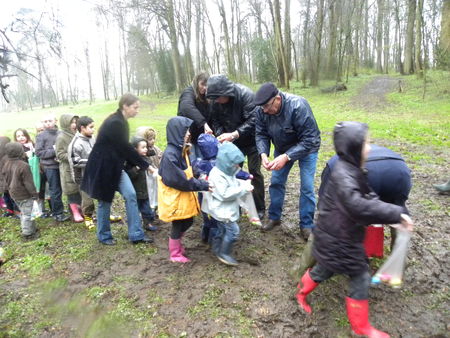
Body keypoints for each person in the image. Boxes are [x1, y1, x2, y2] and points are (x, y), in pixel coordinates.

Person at [295, 121, 413, 338]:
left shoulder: (350, 168)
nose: (369, 147)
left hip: (336, 236)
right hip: (340, 240)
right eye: (366, 143)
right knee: (360, 277)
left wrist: (388, 214)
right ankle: (360, 327)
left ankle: (301, 292)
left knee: (324, 270)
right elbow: (358, 205)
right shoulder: (344, 175)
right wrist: (396, 213)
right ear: (354, 147)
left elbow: (368, 196)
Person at [291, 144, 412, 282]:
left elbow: (326, 210)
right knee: (398, 216)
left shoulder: (332, 169)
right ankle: (398, 266)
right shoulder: (343, 159)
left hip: (373, 173)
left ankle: (299, 272)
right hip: (399, 171)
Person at [81, 93, 152, 245]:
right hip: (103, 169)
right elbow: (125, 148)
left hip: (116, 168)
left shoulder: (121, 121)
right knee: (105, 201)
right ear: (125, 106)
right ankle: (104, 236)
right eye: (135, 107)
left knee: (131, 194)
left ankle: (136, 234)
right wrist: (146, 165)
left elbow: (122, 148)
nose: (137, 110)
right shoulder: (115, 122)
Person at [254, 82, 321, 240]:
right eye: (262, 108)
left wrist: (287, 156)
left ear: (277, 99)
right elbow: (261, 134)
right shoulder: (261, 109)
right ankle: (274, 217)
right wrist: (263, 153)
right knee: (276, 182)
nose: (264, 110)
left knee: (307, 187)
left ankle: (306, 225)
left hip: (307, 148)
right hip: (282, 147)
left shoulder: (298, 106)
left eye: (267, 106)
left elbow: (310, 139)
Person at [206, 74, 265, 219]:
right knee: (231, 173)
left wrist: (235, 133)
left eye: (219, 98)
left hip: (251, 141)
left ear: (226, 92)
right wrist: (221, 135)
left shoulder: (245, 95)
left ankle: (259, 207)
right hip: (232, 144)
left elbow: (254, 119)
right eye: (215, 99)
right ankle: (235, 203)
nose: (217, 101)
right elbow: (215, 120)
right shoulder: (215, 101)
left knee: (254, 172)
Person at [157, 116, 210, 263]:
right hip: (174, 197)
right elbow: (180, 180)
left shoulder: (181, 149)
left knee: (188, 221)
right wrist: (203, 185)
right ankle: (175, 253)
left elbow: (189, 168)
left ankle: (178, 245)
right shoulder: (170, 155)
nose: (188, 133)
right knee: (178, 223)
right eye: (185, 131)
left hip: (182, 195)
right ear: (176, 132)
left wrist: (199, 174)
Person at [202, 142, 254, 266]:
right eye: (235, 163)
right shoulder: (217, 175)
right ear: (226, 162)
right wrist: (244, 189)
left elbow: (233, 182)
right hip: (223, 211)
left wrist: (242, 183)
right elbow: (224, 194)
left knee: (221, 230)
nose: (237, 166)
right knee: (233, 232)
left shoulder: (227, 171)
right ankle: (224, 253)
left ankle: (216, 248)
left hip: (224, 210)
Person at [35, 115, 69, 222]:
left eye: (50, 120)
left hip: (63, 165)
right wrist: (54, 151)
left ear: (55, 121)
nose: (48, 123)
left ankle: (64, 209)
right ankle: (57, 213)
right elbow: (39, 152)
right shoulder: (41, 136)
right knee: (55, 190)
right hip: (50, 167)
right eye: (45, 121)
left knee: (67, 188)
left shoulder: (61, 133)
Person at [1, 143, 39, 239]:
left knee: (24, 211)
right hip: (24, 194)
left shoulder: (6, 164)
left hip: (13, 193)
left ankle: (31, 228)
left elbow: (5, 180)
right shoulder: (24, 166)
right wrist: (34, 194)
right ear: (20, 152)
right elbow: (28, 183)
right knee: (27, 214)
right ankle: (28, 234)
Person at [67, 116, 96, 229]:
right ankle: (88, 217)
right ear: (82, 128)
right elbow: (75, 162)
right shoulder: (76, 143)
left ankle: (107, 214)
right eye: (91, 127)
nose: (93, 129)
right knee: (87, 199)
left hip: (95, 173)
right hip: (83, 176)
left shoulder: (92, 137)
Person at [178, 72, 212, 160]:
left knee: (202, 163)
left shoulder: (207, 96)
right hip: (188, 137)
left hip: (201, 137)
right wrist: (203, 123)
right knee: (192, 164)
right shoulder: (188, 92)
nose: (204, 88)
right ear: (197, 82)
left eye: (207, 85)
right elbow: (187, 107)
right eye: (202, 84)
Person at [125, 137, 157, 234]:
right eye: (143, 147)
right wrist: (137, 167)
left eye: (146, 147)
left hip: (146, 190)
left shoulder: (145, 158)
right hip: (136, 191)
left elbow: (151, 159)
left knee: (147, 209)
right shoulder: (130, 162)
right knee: (135, 209)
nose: (146, 149)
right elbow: (129, 175)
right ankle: (135, 224)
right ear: (135, 149)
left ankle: (148, 223)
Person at [56, 114, 84, 223]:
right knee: (72, 192)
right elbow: (59, 154)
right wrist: (72, 156)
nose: (74, 125)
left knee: (81, 190)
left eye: (76, 122)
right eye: (72, 122)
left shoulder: (79, 134)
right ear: (65, 124)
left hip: (80, 168)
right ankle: (75, 213)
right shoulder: (61, 137)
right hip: (68, 169)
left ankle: (82, 210)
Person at [135, 126, 162, 224]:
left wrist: (160, 157)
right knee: (149, 195)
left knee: (156, 193)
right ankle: (147, 214)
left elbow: (160, 154)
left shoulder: (155, 149)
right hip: (147, 178)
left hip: (155, 175)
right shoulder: (142, 152)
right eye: (150, 139)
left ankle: (155, 210)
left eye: (154, 138)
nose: (153, 141)